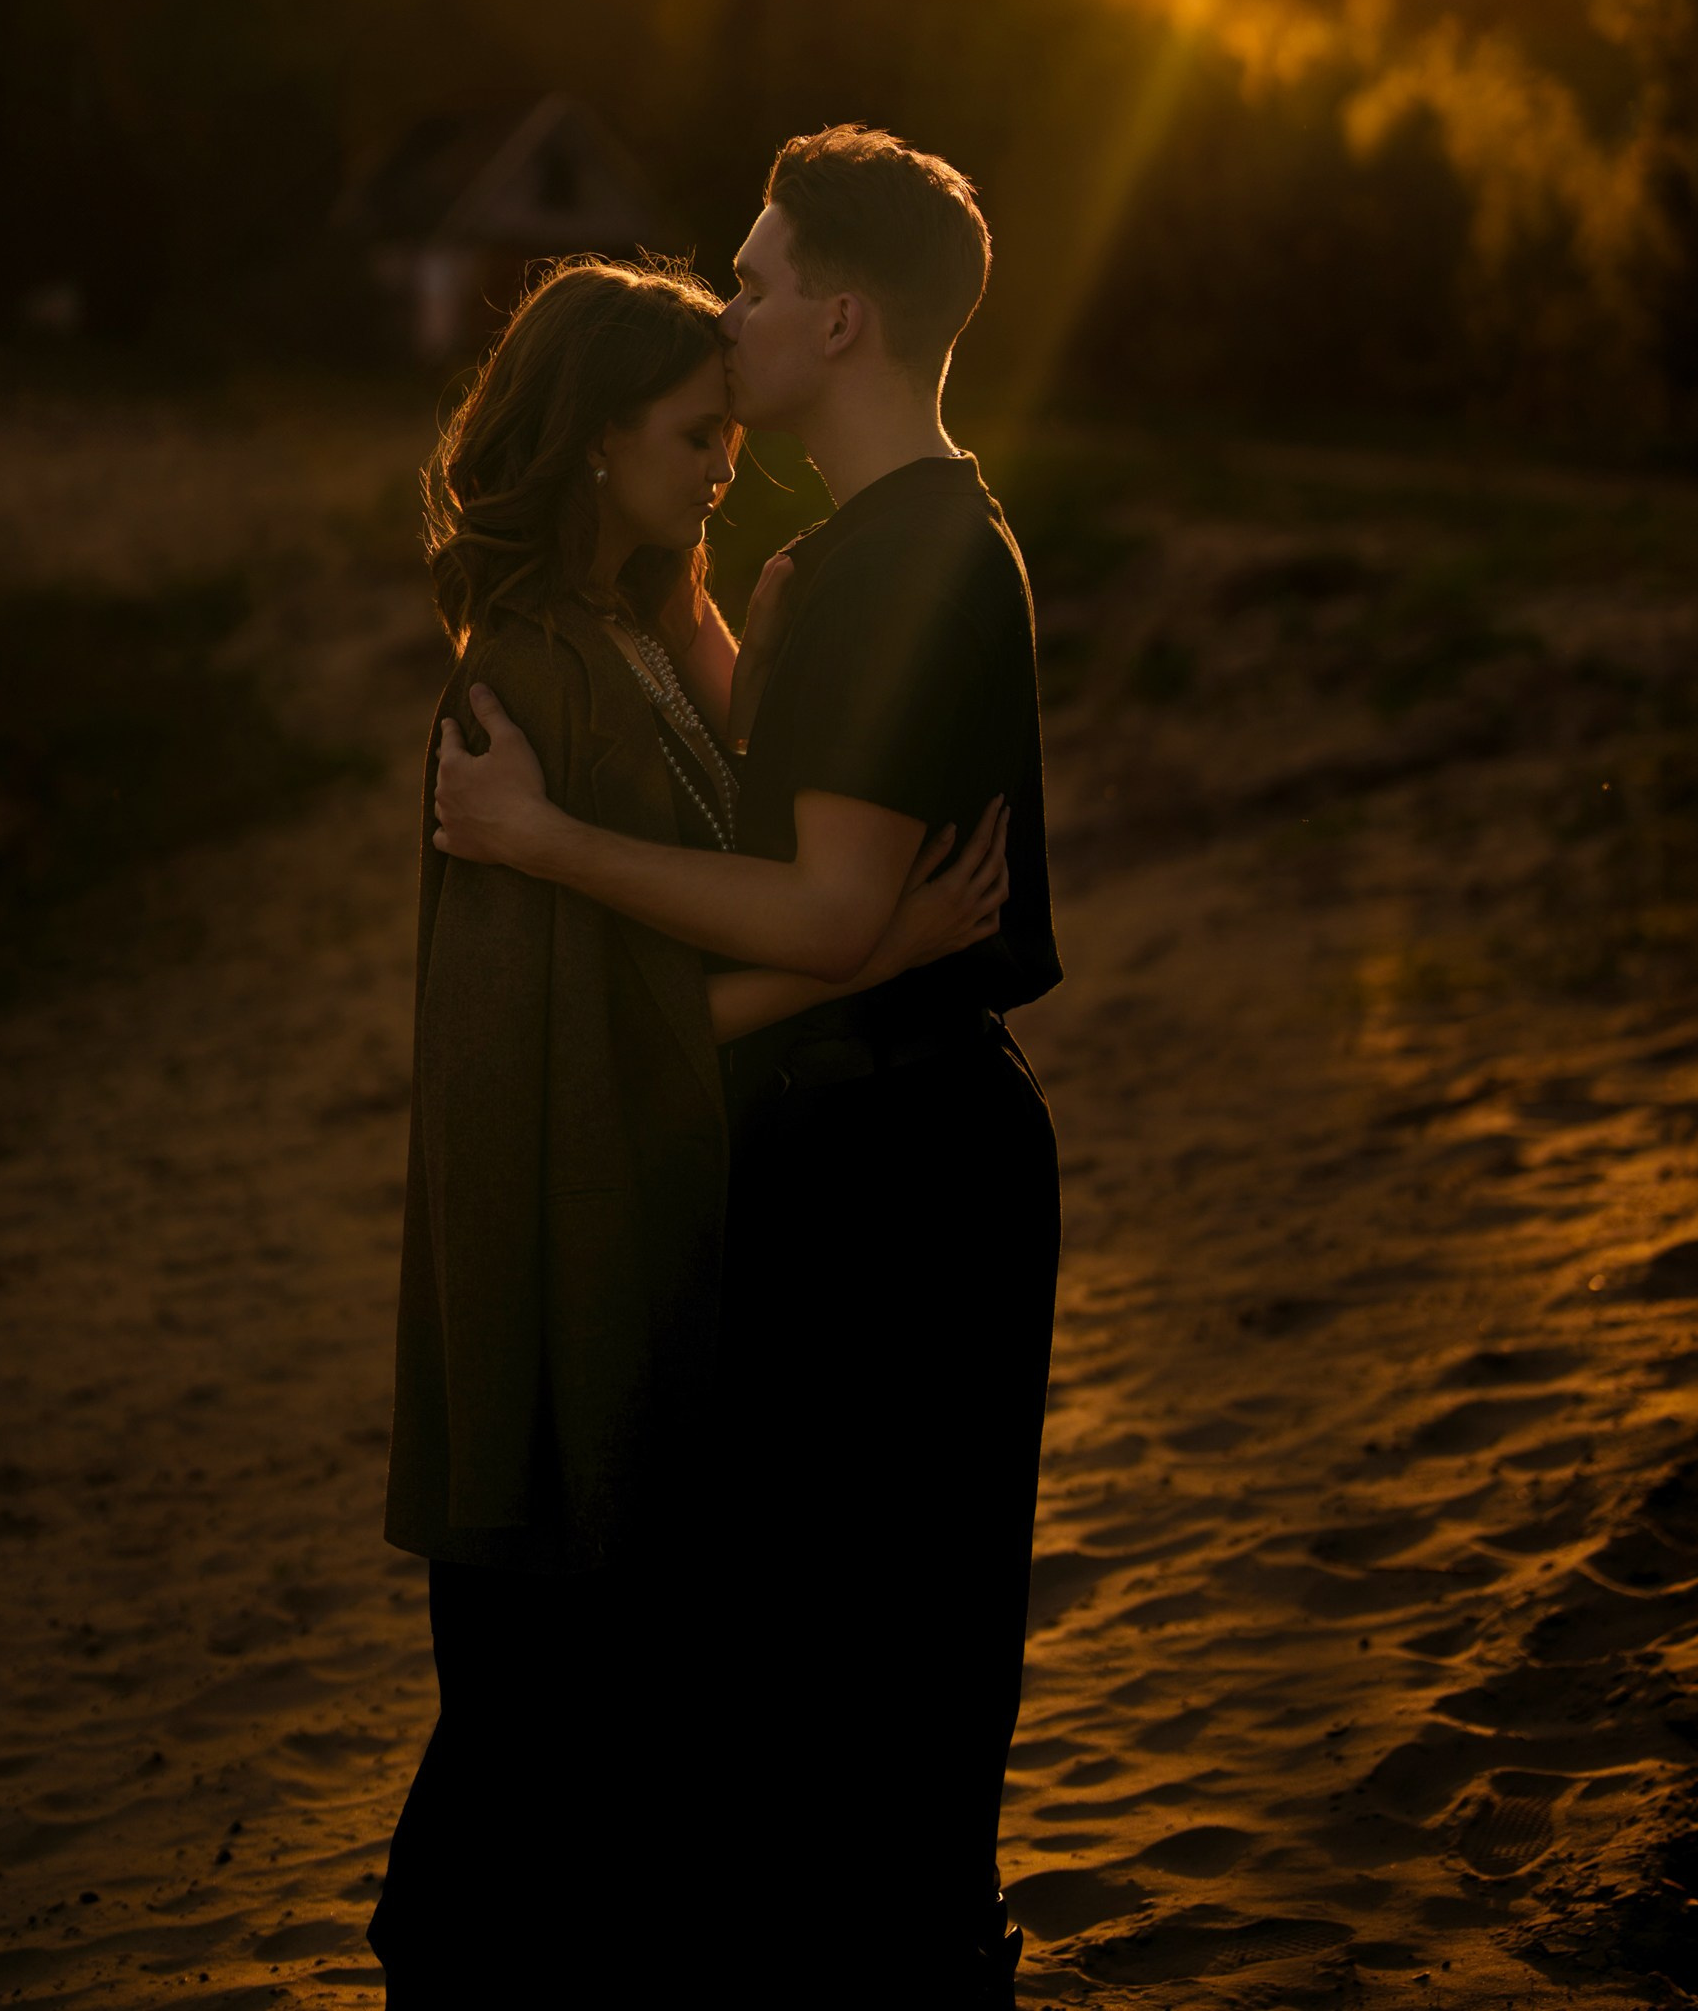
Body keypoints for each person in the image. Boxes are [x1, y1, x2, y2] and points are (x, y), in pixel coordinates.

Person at [431, 128, 1062, 2011]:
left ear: (846, 321)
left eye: (764, 280)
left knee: (895, 1665)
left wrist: (542, 845)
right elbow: (779, 808)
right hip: (840, 1159)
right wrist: (709, 599)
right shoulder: (845, 562)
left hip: (904, 1178)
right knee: (822, 1671)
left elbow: (826, 905)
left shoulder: (912, 564)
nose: (739, 305)